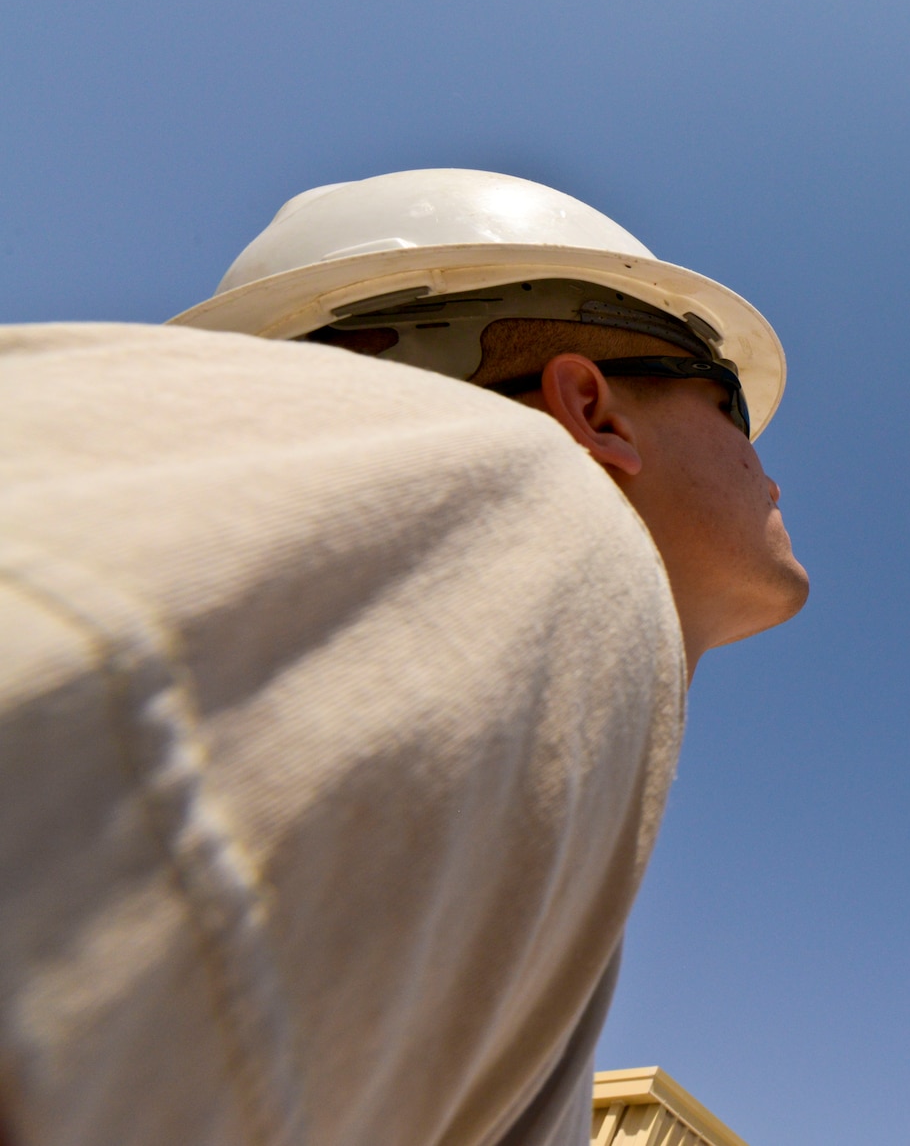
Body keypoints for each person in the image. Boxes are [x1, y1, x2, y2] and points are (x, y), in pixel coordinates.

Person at [0, 170, 809, 1146]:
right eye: (723, 396)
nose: (763, 459)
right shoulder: (532, 501)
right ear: (591, 409)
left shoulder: (565, 738)